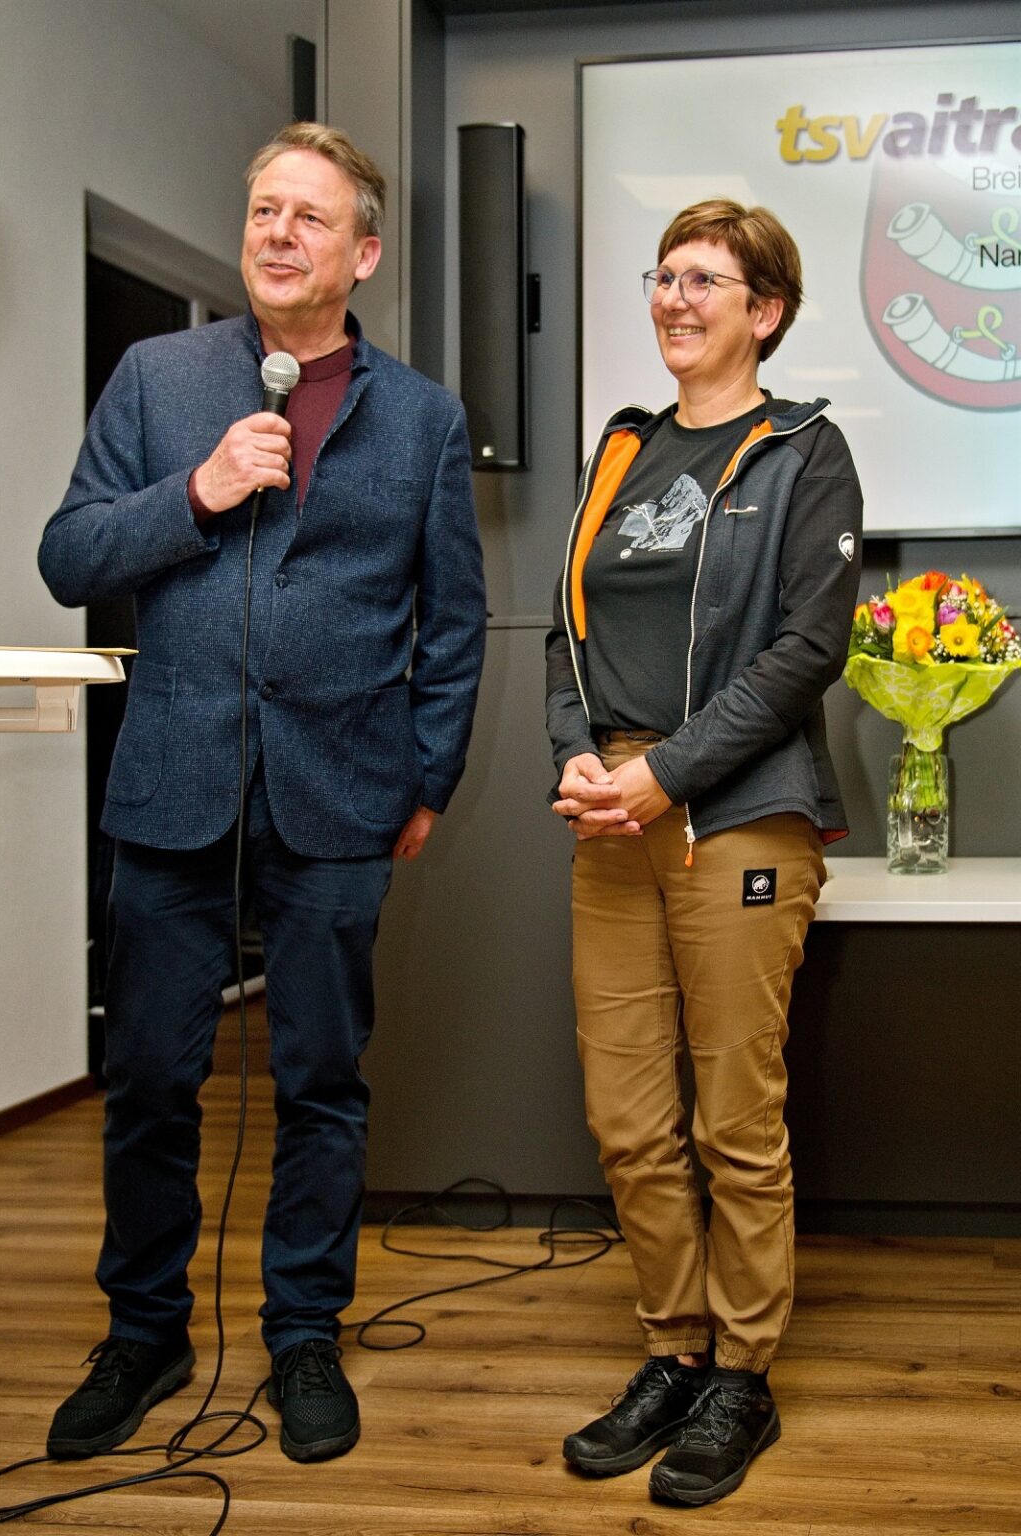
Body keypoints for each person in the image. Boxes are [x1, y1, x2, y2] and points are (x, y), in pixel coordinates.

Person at [38, 122, 485, 1465]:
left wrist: (427, 775)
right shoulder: (157, 378)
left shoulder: (425, 418)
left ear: (364, 253)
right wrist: (198, 488)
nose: (277, 233)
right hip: (171, 788)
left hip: (342, 796)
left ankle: (304, 1336)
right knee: (149, 1080)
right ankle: (144, 1332)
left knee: (321, 1084)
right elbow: (69, 554)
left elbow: (453, 622)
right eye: (263, 210)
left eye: (309, 216)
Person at [546, 200, 861, 1507]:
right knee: (627, 1118)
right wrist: (577, 753)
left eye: (705, 280)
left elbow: (806, 651)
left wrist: (666, 773)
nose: (675, 298)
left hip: (734, 810)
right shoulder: (622, 448)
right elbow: (567, 629)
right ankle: (673, 1351)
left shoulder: (805, 449)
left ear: (764, 311)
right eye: (664, 275)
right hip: (611, 811)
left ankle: (742, 1373)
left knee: (735, 1117)